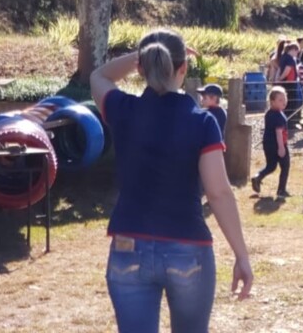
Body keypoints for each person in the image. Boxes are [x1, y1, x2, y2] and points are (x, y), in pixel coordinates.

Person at [90, 29, 252, 332]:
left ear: (140, 67)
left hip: (128, 245)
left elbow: (99, 76)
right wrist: (241, 255)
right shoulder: (202, 121)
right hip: (188, 247)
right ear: (184, 69)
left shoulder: (123, 109)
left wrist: (139, 56)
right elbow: (218, 193)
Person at [251, 87, 291, 199]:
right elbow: (278, 132)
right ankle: (281, 190)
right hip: (278, 144)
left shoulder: (269, 113)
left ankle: (258, 177)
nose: (284, 102)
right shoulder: (278, 115)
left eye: (285, 99)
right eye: (280, 100)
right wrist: (281, 147)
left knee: (271, 166)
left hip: (267, 144)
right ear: (272, 102)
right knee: (285, 166)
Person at [278, 42, 303, 129]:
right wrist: (281, 78)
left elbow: (280, 69)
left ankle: (286, 121)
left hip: (286, 83)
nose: (297, 53)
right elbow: (287, 70)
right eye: (297, 51)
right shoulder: (290, 59)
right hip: (290, 83)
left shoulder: (283, 57)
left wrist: (279, 78)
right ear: (293, 50)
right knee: (293, 103)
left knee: (287, 103)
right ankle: (289, 122)